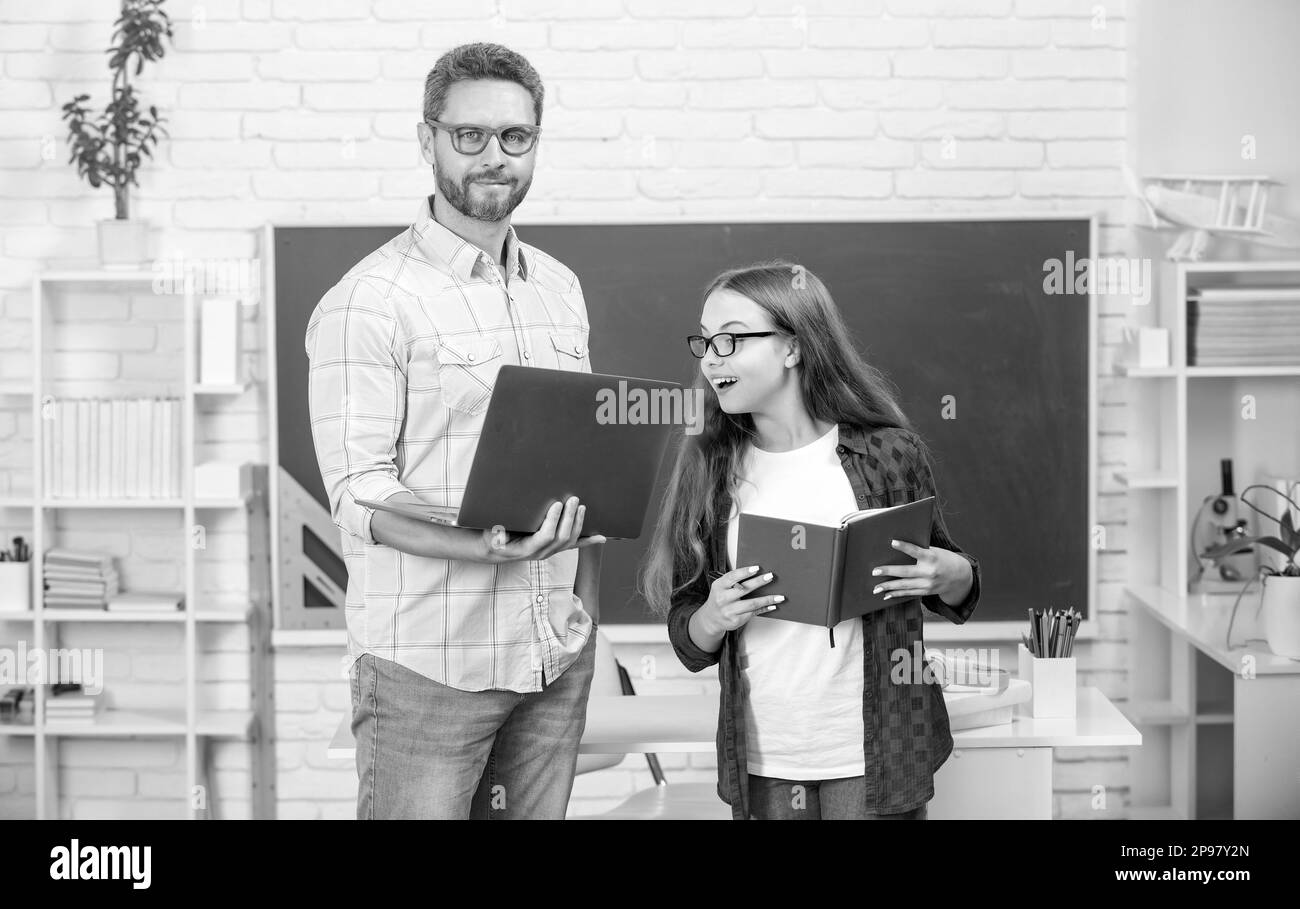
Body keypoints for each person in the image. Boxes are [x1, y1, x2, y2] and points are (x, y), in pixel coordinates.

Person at [305, 43, 604, 820]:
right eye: (468, 135)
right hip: (428, 672)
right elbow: (359, 495)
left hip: (550, 658)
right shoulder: (369, 300)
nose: (493, 157)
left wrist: (583, 620)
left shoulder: (560, 289)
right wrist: (484, 545)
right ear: (427, 139)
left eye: (515, 137)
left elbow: (581, 464)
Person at [640, 261, 982, 820]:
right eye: (704, 342)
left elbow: (951, 575)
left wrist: (953, 575)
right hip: (765, 760)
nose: (710, 358)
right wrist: (714, 616)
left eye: (730, 340)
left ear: (793, 348)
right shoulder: (710, 468)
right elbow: (688, 629)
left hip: (876, 754)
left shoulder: (888, 454)